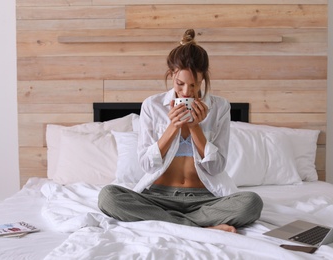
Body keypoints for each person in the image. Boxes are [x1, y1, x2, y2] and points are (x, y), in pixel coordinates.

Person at [98, 29, 263, 233]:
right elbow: (146, 165)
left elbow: (216, 167)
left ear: (203, 79)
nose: (187, 92)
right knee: (108, 197)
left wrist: (196, 128)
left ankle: (169, 223)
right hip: (157, 197)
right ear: (171, 75)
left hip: (205, 199)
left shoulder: (220, 107)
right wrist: (172, 128)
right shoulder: (152, 105)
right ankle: (202, 227)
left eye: (194, 85)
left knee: (251, 203)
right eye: (180, 84)